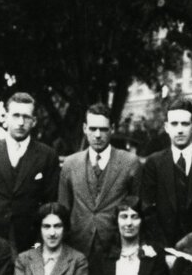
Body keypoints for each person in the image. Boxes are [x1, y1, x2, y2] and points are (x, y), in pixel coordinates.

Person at [0, 92, 60, 252]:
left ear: (34, 121)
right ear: (5, 118)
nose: (21, 122)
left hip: (30, 240)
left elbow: (50, 202)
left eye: (26, 117)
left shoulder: (47, 156)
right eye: (16, 115)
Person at [58, 103, 142, 257]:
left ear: (112, 128)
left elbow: (137, 208)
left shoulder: (129, 162)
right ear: (84, 128)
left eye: (103, 129)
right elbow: (63, 210)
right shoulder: (70, 164)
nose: (97, 135)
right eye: (92, 128)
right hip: (77, 249)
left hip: (115, 250)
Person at [140, 98, 192, 248]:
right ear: (166, 127)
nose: (179, 129)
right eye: (174, 124)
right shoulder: (154, 163)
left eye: (185, 124)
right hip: (163, 247)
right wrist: (163, 249)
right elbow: (148, 210)